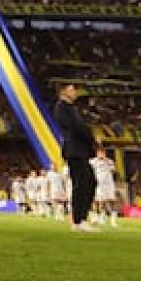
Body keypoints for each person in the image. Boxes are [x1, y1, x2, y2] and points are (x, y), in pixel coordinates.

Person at [53, 82, 98, 232]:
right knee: (81, 184)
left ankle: (82, 217)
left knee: (89, 182)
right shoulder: (62, 108)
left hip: (80, 150)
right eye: (72, 89)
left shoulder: (71, 109)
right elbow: (75, 127)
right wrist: (91, 137)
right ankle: (78, 220)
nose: (75, 92)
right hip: (74, 151)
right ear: (63, 92)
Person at [90, 148, 120, 228]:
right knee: (98, 201)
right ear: (97, 153)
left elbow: (114, 171)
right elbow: (89, 171)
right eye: (99, 153)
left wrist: (106, 161)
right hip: (98, 184)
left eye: (102, 153)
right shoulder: (93, 162)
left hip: (109, 184)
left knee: (113, 201)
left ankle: (113, 221)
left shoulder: (109, 161)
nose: (101, 154)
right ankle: (97, 217)